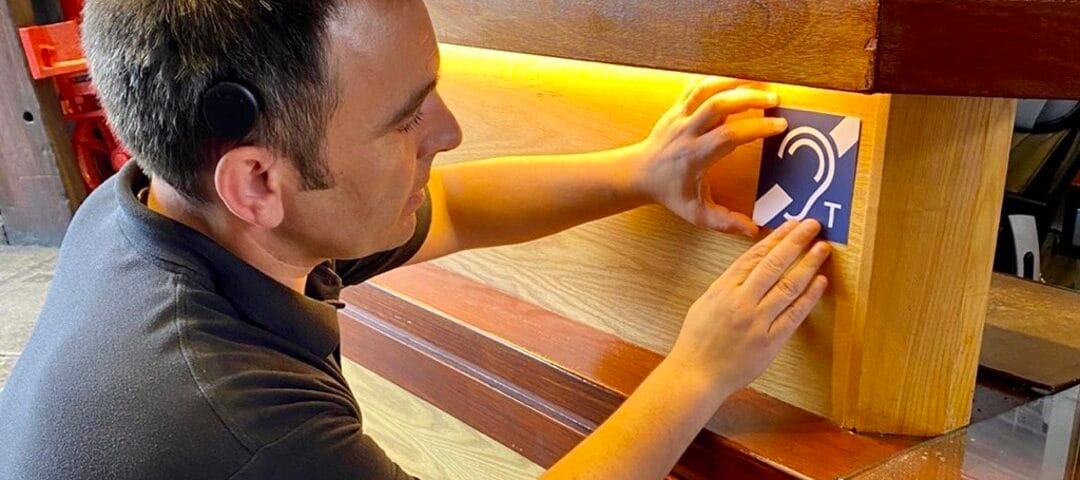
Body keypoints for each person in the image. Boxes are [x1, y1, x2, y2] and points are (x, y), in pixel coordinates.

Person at [0, 0, 831, 478]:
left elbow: (457, 209)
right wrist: (699, 371)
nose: (451, 132)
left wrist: (640, 171)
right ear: (258, 182)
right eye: (406, 121)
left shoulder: (150, 208)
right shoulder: (250, 428)